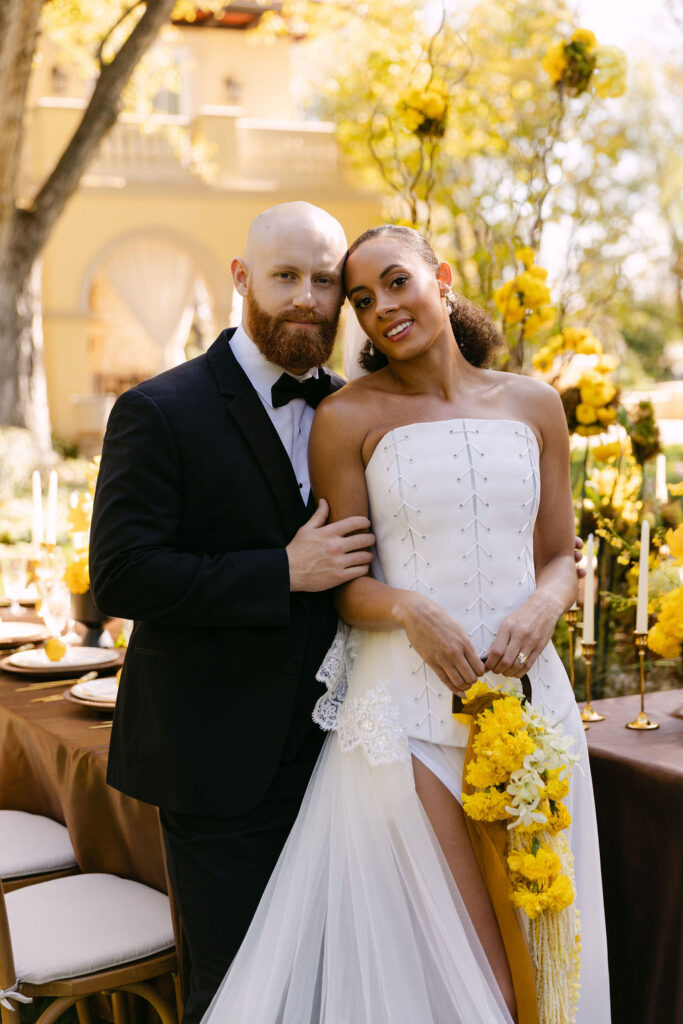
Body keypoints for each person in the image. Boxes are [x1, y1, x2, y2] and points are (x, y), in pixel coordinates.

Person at [200, 225, 610, 1024]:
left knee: (547, 955)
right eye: (360, 299)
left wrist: (541, 603)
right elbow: (345, 586)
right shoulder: (345, 418)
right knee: (465, 970)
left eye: (395, 283)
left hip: (536, 706)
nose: (380, 308)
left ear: (442, 279)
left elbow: (561, 556)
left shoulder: (533, 403)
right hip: (407, 716)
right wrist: (411, 611)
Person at [89, 202, 376, 1024]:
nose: (306, 299)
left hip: (341, 753)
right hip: (217, 765)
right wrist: (279, 572)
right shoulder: (159, 409)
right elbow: (121, 576)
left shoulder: (358, 408)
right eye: (286, 276)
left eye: (326, 281)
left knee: (331, 980)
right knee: (239, 994)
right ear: (242, 278)